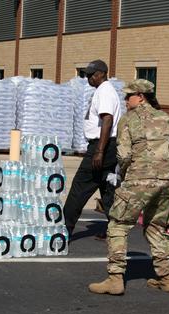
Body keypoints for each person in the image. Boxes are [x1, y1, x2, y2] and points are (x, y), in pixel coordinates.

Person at [88, 79, 169, 295]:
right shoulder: (166, 118)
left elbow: (123, 154)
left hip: (138, 180)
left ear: (140, 96)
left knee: (118, 224)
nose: (125, 100)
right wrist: (164, 164)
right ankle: (166, 277)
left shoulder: (128, 120)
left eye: (128, 96)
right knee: (156, 227)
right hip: (167, 181)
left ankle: (115, 278)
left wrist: (127, 172)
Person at [63, 59, 123, 240]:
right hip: (105, 146)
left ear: (102, 74)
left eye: (92, 74)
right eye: (87, 74)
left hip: (102, 146)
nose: (88, 77)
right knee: (107, 191)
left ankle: (63, 232)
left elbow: (107, 120)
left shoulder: (105, 92)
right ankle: (116, 232)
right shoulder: (101, 91)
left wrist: (99, 151)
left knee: (80, 187)